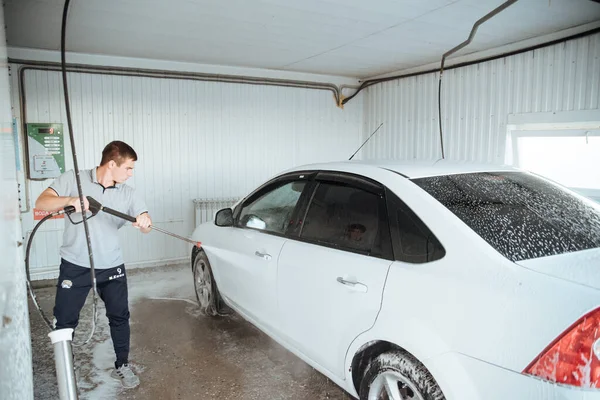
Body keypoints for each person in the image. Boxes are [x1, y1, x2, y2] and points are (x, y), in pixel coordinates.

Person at [35, 140, 152, 389]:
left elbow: (145, 221)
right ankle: (65, 371)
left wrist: (144, 220)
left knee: (119, 317)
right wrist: (71, 200)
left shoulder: (128, 192)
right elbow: (41, 202)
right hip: (75, 265)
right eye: (128, 168)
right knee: (65, 320)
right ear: (112, 164)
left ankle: (122, 365)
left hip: (112, 265)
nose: (131, 174)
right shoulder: (73, 179)